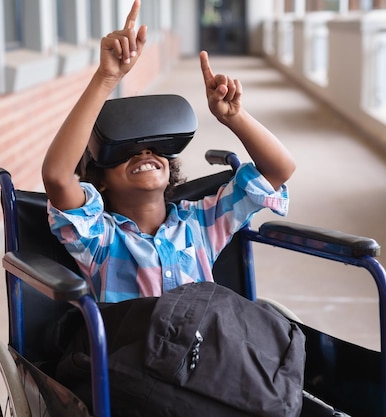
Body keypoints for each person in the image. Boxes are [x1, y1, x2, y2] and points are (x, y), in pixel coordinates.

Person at [42, 0, 296, 303]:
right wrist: (107, 78)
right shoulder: (100, 239)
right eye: (127, 151)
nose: (144, 153)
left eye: (154, 149)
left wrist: (233, 117)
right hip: (134, 348)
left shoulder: (202, 224)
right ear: (100, 181)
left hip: (206, 345)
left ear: (169, 168)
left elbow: (279, 171)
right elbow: (57, 178)